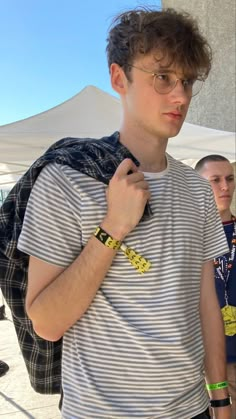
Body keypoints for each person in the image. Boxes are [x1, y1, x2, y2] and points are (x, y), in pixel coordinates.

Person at [15, 7, 231, 419]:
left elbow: (207, 301)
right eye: (162, 77)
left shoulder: (197, 191)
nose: (181, 96)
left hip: (193, 409)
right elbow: (45, 322)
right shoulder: (66, 179)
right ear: (119, 78)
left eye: (186, 81)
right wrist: (114, 226)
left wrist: (219, 396)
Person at [195, 155, 236, 418]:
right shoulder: (188, 237)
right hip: (202, 359)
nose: (225, 187)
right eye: (215, 180)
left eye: (230, 179)